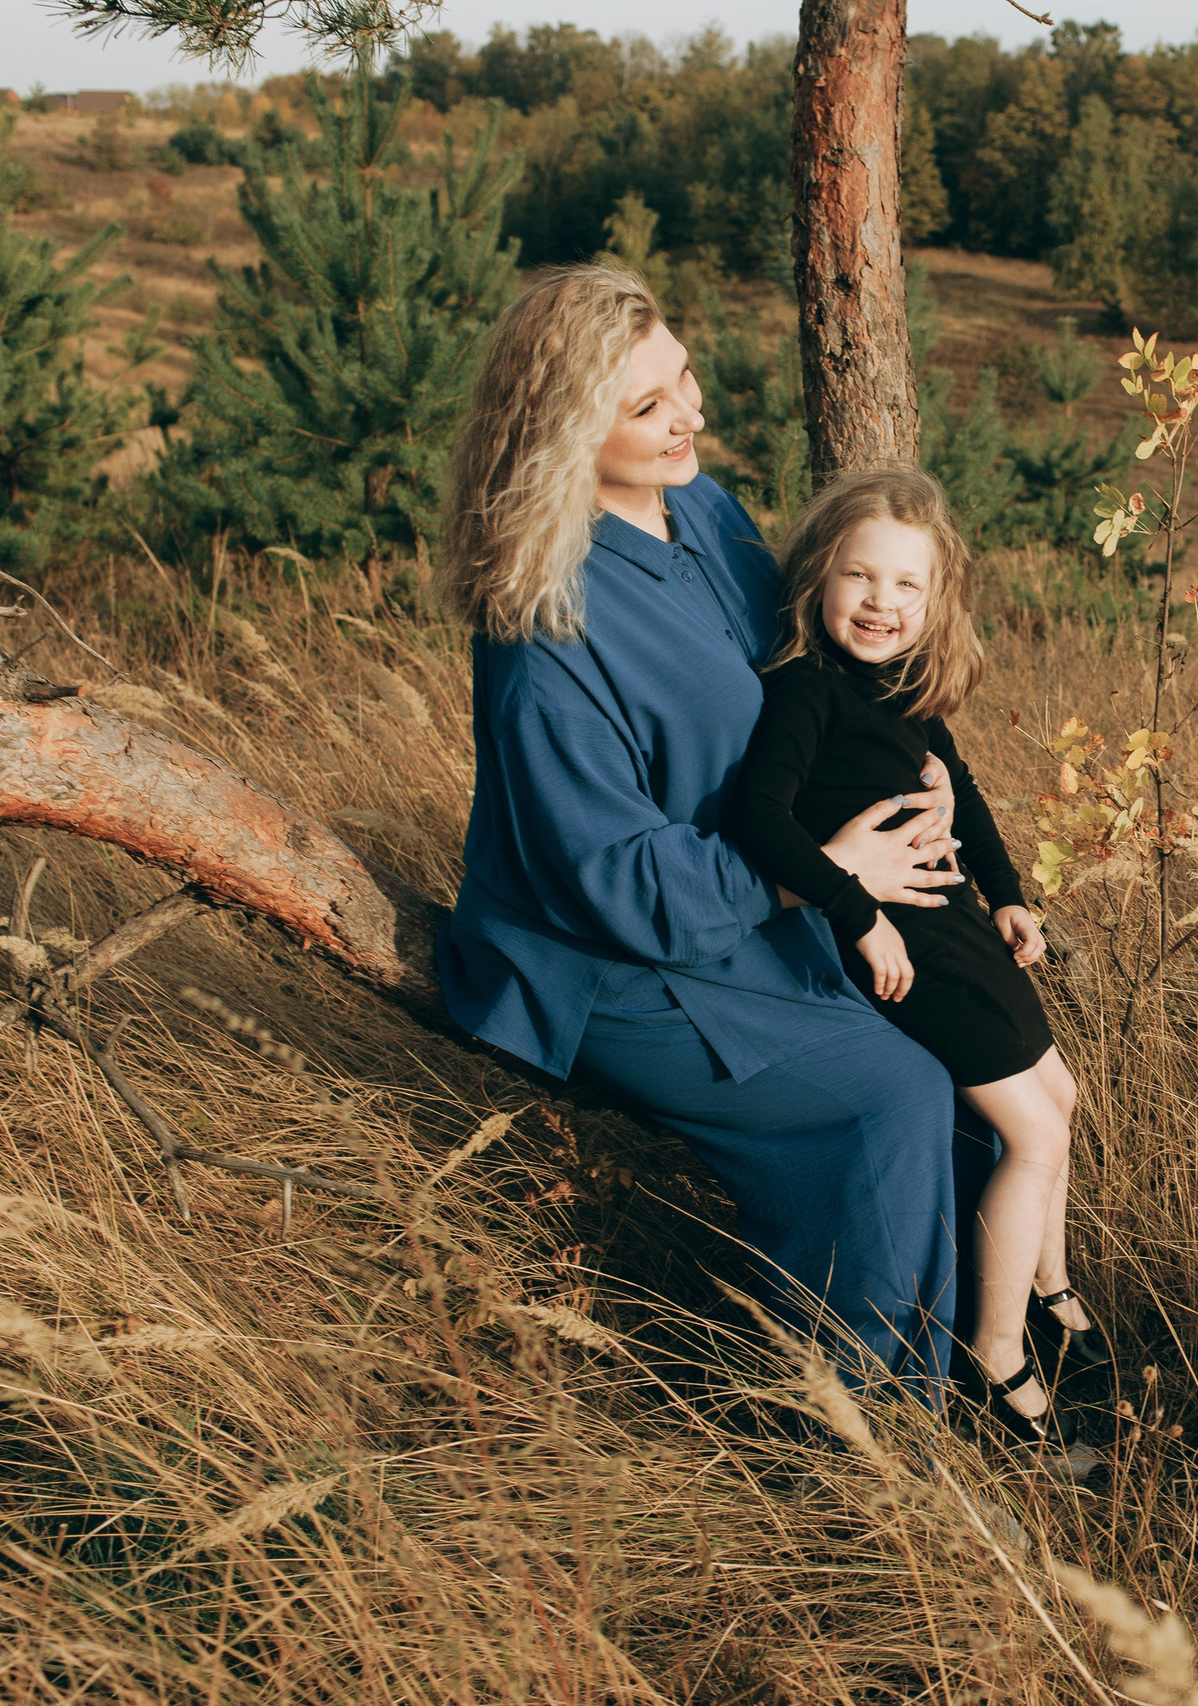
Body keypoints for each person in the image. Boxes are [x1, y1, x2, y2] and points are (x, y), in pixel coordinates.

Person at [432, 265, 972, 1399]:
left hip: (764, 888)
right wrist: (827, 873)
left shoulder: (708, 512)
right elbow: (611, 883)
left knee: (970, 1049)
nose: (690, 417)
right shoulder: (547, 625)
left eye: (681, 381)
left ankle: (976, 1375)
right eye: (648, 407)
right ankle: (859, 1452)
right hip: (610, 962)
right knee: (891, 1098)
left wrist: (912, 775)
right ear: (567, 431)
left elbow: (811, 686)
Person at [728, 467, 1111, 1448]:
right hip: (901, 946)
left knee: (1058, 1100)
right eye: (860, 578)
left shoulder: (901, 690)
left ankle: (1047, 1287)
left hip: (954, 928)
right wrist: (857, 911)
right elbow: (757, 814)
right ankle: (994, 1356)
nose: (881, 604)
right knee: (1030, 1134)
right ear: (819, 575)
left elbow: (965, 797)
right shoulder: (805, 690)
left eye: (905, 586)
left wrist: (1012, 894)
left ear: (935, 599)